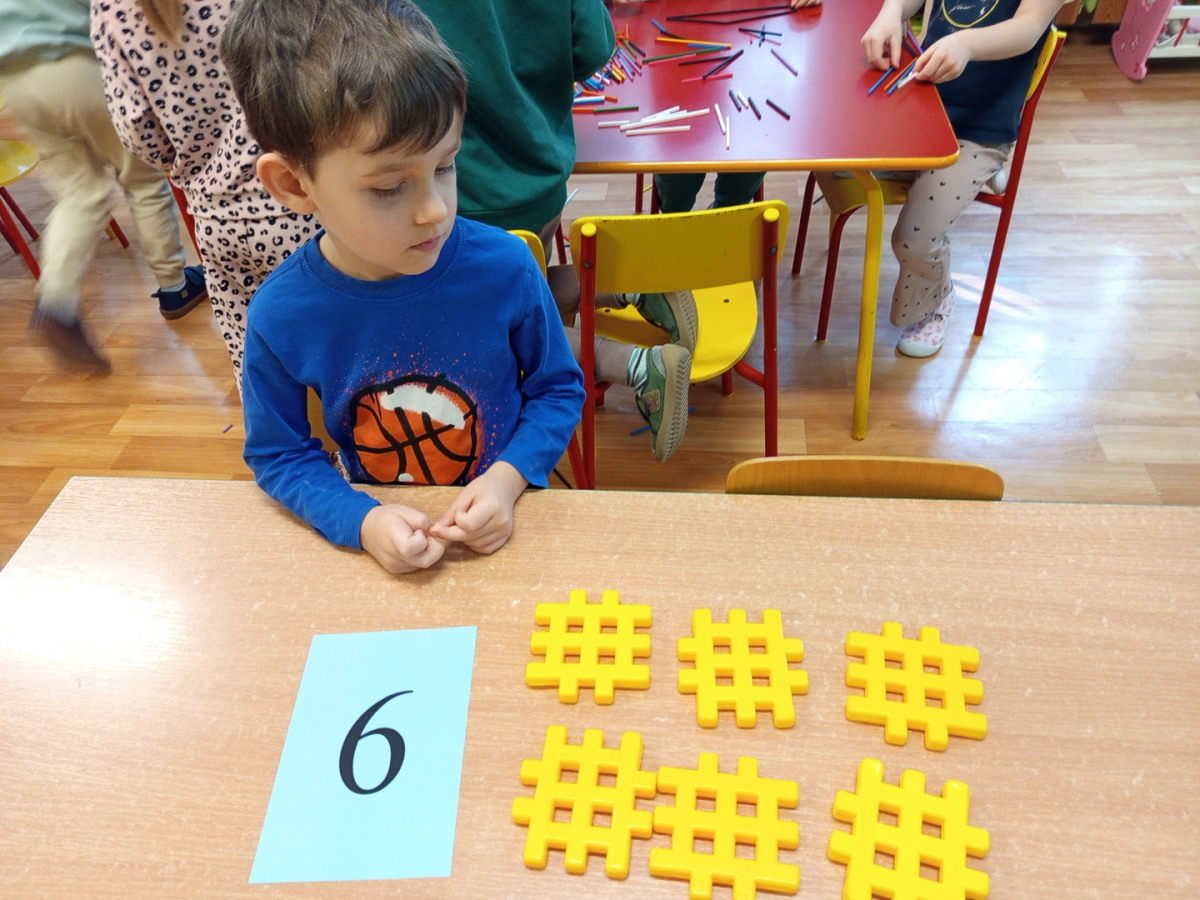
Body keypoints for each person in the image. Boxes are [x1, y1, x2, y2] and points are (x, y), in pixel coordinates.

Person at [221, 0, 586, 575]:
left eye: (446, 165)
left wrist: (507, 479)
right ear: (293, 183)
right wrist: (360, 520)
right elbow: (279, 453)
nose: (435, 210)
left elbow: (557, 390)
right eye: (390, 187)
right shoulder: (280, 314)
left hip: (510, 527)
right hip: (383, 545)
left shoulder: (508, 267)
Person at [415, 0, 694, 463]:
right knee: (524, 291)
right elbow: (594, 46)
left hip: (468, 193)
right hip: (541, 173)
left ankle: (637, 366)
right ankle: (637, 286)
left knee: (491, 327)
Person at [90, 0, 319, 389]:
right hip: (307, 203)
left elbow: (136, 128)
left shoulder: (112, 7)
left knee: (256, 371)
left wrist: (189, 168)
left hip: (215, 221)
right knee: (348, 361)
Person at [0, 0, 205, 374]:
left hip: (15, 83)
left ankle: (56, 302)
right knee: (142, 177)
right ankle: (175, 287)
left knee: (81, 191)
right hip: (75, 61)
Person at [861, 0, 1065, 357]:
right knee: (838, 155)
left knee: (914, 240)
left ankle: (935, 301)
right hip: (923, 101)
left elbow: (1030, 26)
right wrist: (891, 12)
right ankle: (978, 171)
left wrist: (967, 44)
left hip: (978, 128)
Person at [648, 0, 822, 216]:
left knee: (752, 151)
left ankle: (724, 217)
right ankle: (678, 220)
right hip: (674, 68)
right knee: (677, 188)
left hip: (740, 57)